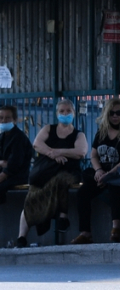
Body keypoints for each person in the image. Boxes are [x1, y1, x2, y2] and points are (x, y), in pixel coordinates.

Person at [15, 99, 87, 248]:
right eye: (62, 111)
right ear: (57, 113)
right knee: (31, 199)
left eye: (68, 111)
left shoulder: (78, 135)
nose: (65, 114)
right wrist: (52, 154)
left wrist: (58, 151)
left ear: (73, 113)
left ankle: (63, 216)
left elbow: (80, 152)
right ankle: (21, 237)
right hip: (45, 172)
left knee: (61, 180)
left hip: (68, 171)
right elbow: (37, 144)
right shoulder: (49, 129)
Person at [71, 98, 120, 244]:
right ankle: (85, 233)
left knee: (113, 185)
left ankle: (116, 229)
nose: (115, 116)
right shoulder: (102, 131)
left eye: (118, 113)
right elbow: (93, 155)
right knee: (83, 192)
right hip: (103, 174)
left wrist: (109, 174)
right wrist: (99, 171)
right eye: (111, 113)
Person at [0, 105, 33, 205]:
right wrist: (2, 163)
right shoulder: (2, 136)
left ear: (14, 120)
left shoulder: (19, 138)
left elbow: (14, 164)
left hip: (17, 177)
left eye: (8, 117)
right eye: (1, 118)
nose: (4, 120)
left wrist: (4, 170)